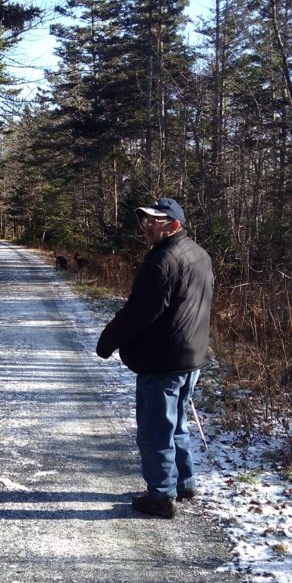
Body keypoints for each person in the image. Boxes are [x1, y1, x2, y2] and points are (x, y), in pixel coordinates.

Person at [96, 197, 213, 519]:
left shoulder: (163, 261)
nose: (146, 226)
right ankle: (183, 482)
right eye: (144, 219)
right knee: (176, 424)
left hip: (164, 359)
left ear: (173, 226)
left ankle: (161, 496)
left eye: (155, 221)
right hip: (191, 357)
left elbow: (139, 313)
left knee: (155, 430)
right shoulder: (199, 254)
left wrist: (107, 342)